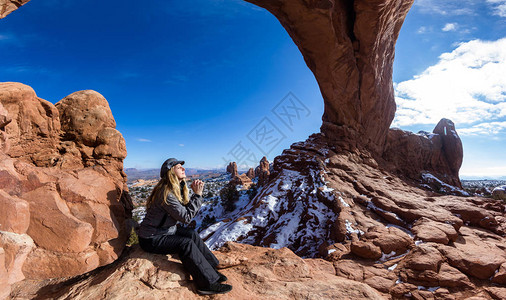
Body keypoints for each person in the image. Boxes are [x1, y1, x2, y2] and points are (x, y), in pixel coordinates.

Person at [137, 158, 232, 295]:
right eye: (179, 167)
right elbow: (186, 217)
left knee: (191, 234)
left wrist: (194, 196)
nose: (183, 169)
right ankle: (206, 284)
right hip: (152, 238)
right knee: (185, 244)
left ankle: (211, 269)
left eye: (182, 167)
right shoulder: (166, 193)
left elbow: (184, 212)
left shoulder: (175, 189)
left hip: (166, 231)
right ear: (171, 172)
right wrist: (198, 195)